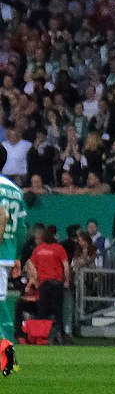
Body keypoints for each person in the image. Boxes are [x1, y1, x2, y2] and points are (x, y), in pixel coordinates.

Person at [0, 156, 26, 375]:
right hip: (7, 253)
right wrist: (17, 254)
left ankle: (6, 345)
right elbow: (21, 229)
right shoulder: (15, 190)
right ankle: (6, 347)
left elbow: (2, 216)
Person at [23, 225, 71, 344]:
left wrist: (34, 278)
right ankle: (60, 336)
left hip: (44, 284)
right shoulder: (59, 248)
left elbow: (30, 263)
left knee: (42, 311)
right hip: (57, 283)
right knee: (58, 310)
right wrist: (67, 281)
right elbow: (66, 265)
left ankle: (40, 336)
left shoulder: (39, 249)